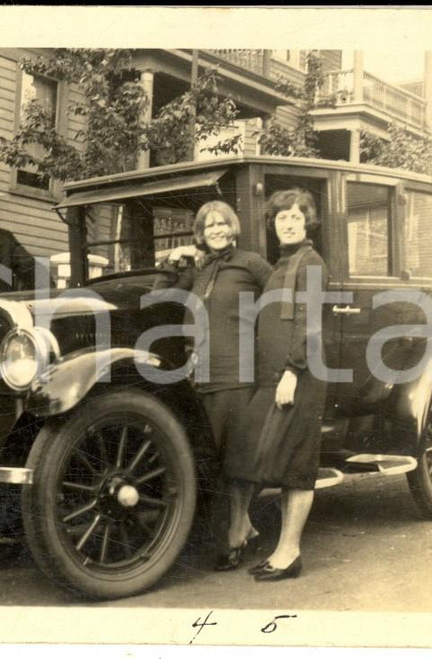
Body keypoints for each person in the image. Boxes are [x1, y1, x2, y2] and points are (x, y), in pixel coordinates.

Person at [155, 200, 273, 571]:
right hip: (202, 375)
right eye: (209, 225)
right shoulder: (199, 270)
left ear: (233, 227)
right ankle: (244, 525)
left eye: (222, 223)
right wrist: (173, 261)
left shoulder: (251, 263)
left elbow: (282, 301)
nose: (217, 230)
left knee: (238, 458)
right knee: (214, 459)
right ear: (201, 233)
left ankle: (237, 533)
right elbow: (159, 298)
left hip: (239, 373)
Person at [229, 188, 329, 582]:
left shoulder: (311, 263)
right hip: (273, 376)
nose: (288, 223)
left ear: (308, 223)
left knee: (297, 466)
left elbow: (310, 324)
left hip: (299, 376)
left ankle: (289, 552)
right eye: (282, 217)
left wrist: (293, 370)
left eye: (295, 217)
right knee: (250, 455)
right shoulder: (281, 265)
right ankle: (246, 529)